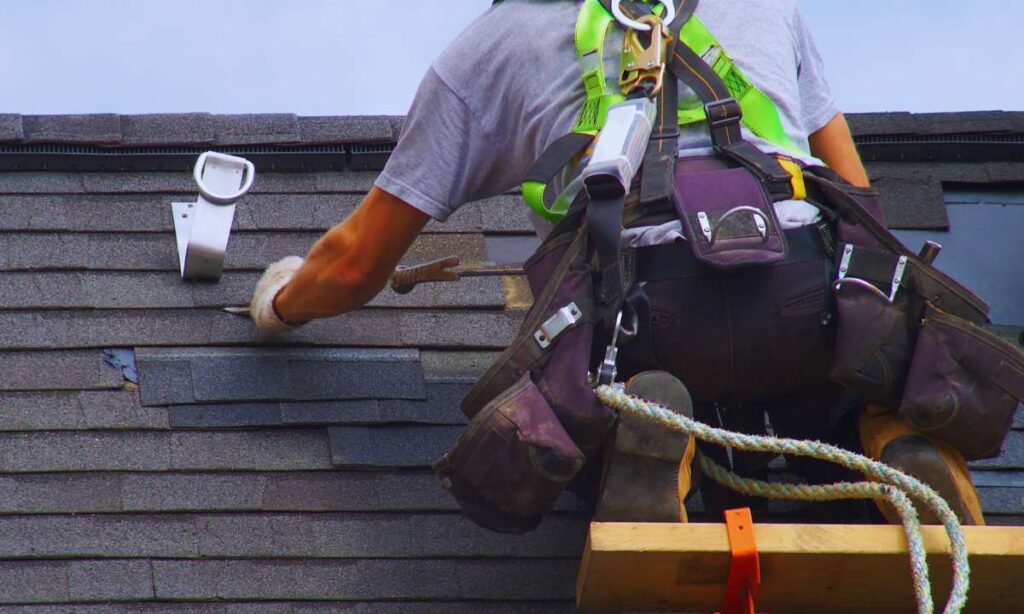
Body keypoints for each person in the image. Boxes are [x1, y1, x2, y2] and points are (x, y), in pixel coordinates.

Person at [248, 0, 984, 525]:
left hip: (644, 320)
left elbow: (353, 266)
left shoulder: (489, 49)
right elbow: (859, 206)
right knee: (840, 377)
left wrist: (279, 303)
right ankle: (887, 436)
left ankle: (647, 449)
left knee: (588, 392)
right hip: (808, 300)